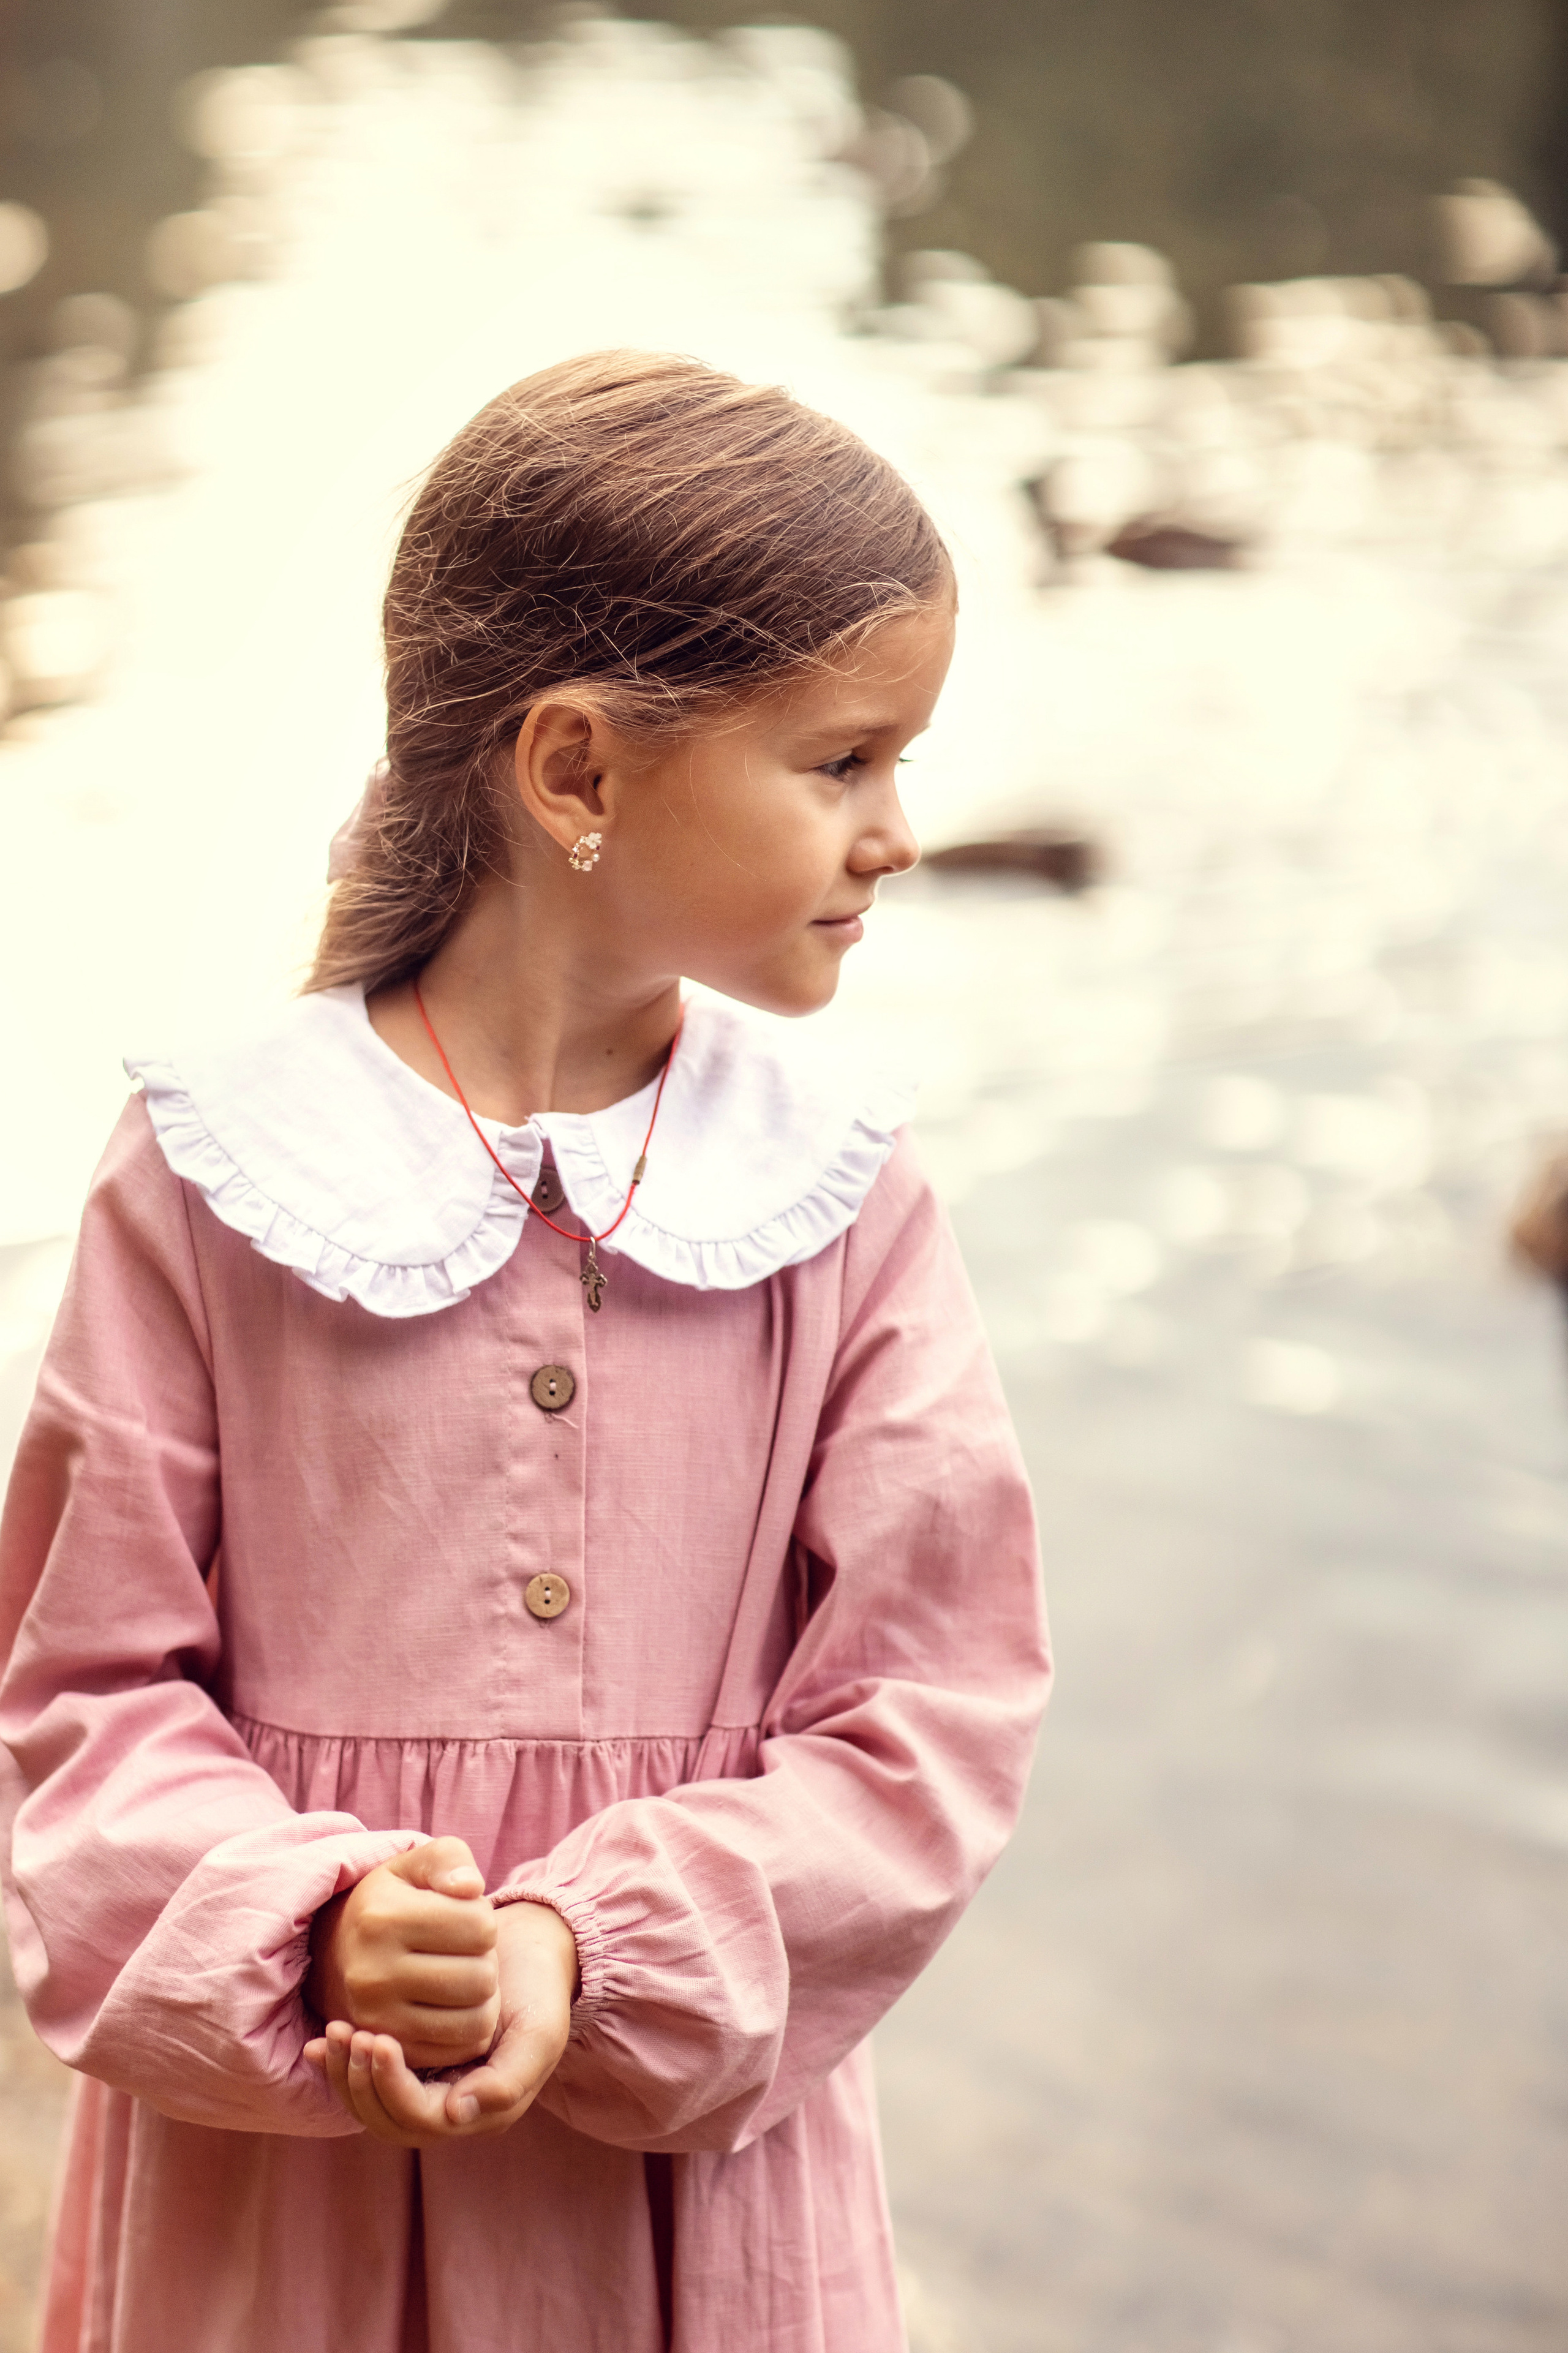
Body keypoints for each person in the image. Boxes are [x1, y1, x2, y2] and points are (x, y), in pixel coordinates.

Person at [0, 350, 1050, 2352]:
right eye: (842, 762)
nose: (900, 830)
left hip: (692, 2225)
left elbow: (933, 1714)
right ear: (574, 771)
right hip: (279, 2218)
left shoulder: (840, 1194)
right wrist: (304, 1927)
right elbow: (79, 1694)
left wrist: (603, 1947)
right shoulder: (216, 1171)